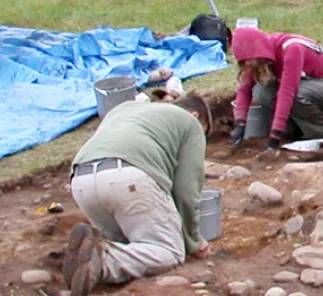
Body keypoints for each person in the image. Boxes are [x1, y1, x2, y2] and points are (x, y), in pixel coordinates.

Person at [62, 96, 212, 294]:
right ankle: (104, 261)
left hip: (81, 182)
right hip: (129, 178)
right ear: (195, 116)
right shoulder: (190, 123)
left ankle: (84, 258)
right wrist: (193, 240)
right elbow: (187, 189)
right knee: (169, 252)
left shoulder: (124, 109)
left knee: (128, 242)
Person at [228, 26, 323, 149]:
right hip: (308, 83)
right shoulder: (261, 54)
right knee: (262, 93)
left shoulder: (292, 49)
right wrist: (240, 123)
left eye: (249, 60)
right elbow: (244, 89)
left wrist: (275, 135)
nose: (247, 64)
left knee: (297, 94)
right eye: (243, 62)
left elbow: (287, 91)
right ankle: (295, 130)